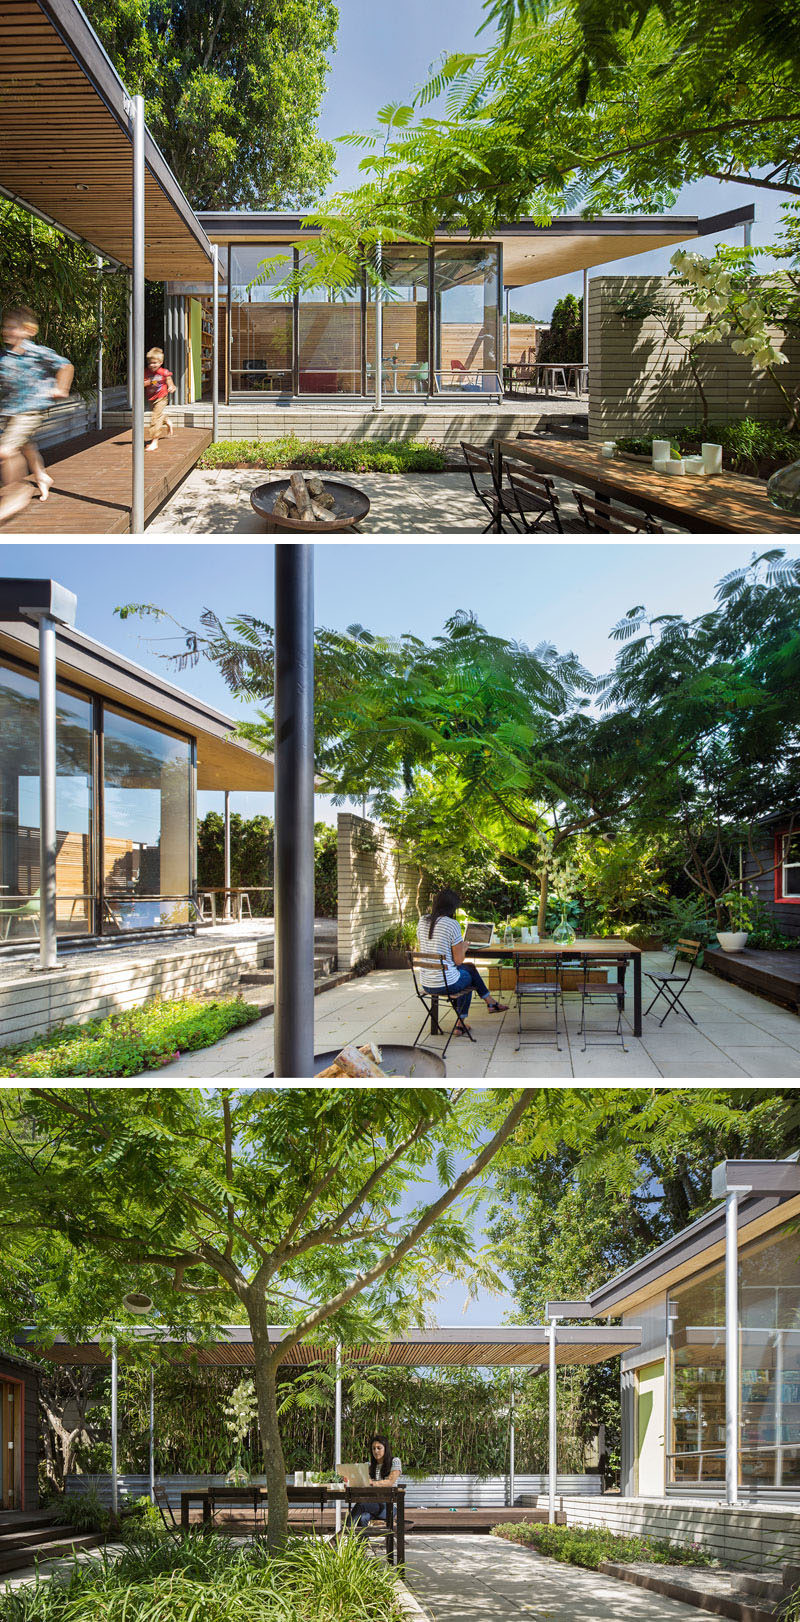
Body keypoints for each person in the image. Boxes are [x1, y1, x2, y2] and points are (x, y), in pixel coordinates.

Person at [0, 305, 73, 525]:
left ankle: (17, 494)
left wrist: (61, 388)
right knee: (25, 445)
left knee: (5, 450)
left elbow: (66, 366)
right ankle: (41, 476)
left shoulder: (36, 352)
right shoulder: (5, 356)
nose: (7, 331)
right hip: (10, 410)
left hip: (32, 409)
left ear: (27, 330)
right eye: (5, 327)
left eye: (12, 327)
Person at [416, 887, 507, 1034]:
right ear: (452, 907)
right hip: (445, 984)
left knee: (469, 968)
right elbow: (458, 961)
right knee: (469, 979)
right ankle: (461, 1024)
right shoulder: (452, 924)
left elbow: (430, 949)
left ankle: (490, 1002)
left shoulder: (422, 921)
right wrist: (463, 947)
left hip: (427, 983)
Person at [343, 1435, 402, 1531]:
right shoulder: (369, 1465)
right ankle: (362, 1545)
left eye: (379, 1448)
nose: (376, 1451)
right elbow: (362, 1482)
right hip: (372, 1504)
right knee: (363, 1517)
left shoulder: (394, 1461)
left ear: (386, 1448)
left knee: (361, 1504)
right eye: (373, 1448)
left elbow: (390, 1482)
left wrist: (372, 1483)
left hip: (388, 1506)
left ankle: (341, 1534)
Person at [144, 347, 176, 451]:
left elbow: (168, 379)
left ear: (161, 362)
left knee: (155, 418)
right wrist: (148, 382)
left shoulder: (163, 372)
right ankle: (166, 420)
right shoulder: (146, 372)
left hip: (161, 397)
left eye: (155, 363)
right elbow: (143, 383)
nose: (152, 365)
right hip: (151, 398)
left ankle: (154, 441)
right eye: (150, 363)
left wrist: (171, 386)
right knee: (157, 415)